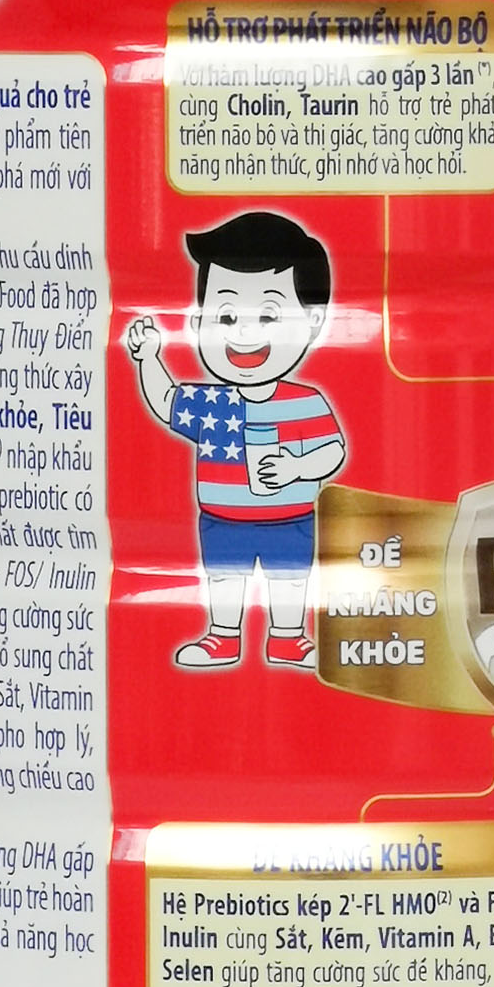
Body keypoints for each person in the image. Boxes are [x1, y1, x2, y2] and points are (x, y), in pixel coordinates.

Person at [124, 210, 345, 669]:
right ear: (198, 322)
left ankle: (287, 637)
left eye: (268, 315)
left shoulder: (304, 402)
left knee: (289, 580)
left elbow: (333, 450)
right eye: (225, 315)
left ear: (311, 321)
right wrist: (148, 360)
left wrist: (297, 467)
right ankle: (223, 636)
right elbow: (165, 401)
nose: (245, 331)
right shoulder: (212, 403)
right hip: (223, 521)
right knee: (225, 578)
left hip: (290, 520)